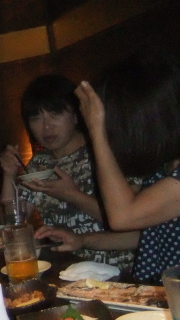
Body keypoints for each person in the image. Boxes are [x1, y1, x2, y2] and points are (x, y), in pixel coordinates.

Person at [0, 74, 138, 271]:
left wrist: (72, 195)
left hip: (118, 269)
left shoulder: (105, 153)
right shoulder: (39, 162)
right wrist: (8, 174)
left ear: (76, 115)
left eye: (55, 114)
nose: (46, 126)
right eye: (36, 118)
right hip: (67, 270)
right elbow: (13, 224)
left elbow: (132, 220)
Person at [74, 49, 180, 284]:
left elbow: (123, 216)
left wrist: (96, 130)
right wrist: (83, 240)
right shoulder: (166, 166)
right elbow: (149, 232)